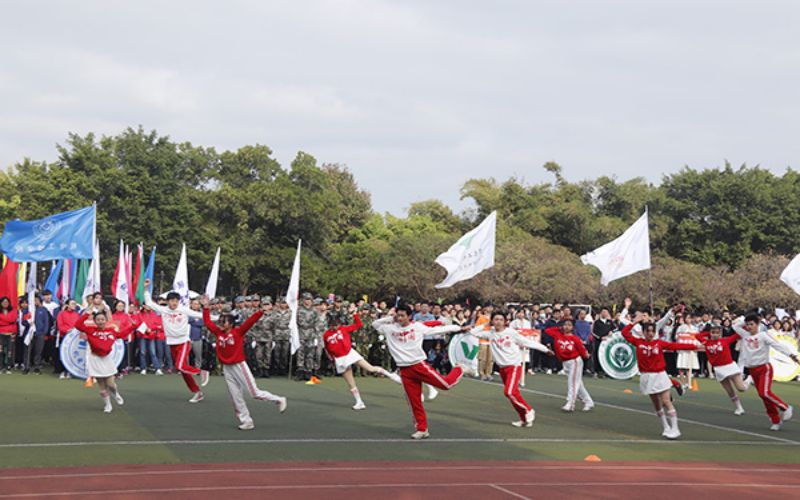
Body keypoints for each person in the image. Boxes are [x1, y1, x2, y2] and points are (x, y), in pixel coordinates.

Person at [372, 303, 473, 440]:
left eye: (402, 316)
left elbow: (437, 330)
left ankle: (460, 368)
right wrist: (390, 318)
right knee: (414, 401)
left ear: (409, 316)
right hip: (405, 370)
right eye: (398, 315)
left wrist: (459, 328)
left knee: (446, 384)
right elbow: (375, 324)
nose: (400, 318)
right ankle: (422, 429)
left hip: (419, 366)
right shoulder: (390, 328)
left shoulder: (417, 327)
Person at [200, 296, 286, 430]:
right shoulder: (218, 333)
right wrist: (206, 307)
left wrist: (261, 311)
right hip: (227, 368)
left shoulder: (238, 332)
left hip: (239, 366)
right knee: (235, 396)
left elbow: (250, 322)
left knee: (254, 393)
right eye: (220, 321)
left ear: (231, 324)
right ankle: (246, 420)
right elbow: (207, 322)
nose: (221, 324)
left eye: (224, 322)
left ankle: (278, 399)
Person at [621, 312, 698, 439]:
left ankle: (675, 428)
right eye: (648, 331)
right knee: (656, 404)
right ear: (643, 332)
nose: (650, 333)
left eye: (652, 331)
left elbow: (675, 346)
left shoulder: (659, 343)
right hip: (646, 376)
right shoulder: (638, 342)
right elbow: (624, 333)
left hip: (660, 375)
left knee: (666, 401)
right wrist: (634, 322)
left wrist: (694, 346)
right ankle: (666, 427)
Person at [468, 310, 552, 427]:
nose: (498, 322)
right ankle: (524, 419)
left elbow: (527, 342)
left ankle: (528, 410)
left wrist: (545, 349)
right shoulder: (490, 333)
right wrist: (486, 324)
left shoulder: (511, 332)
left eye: (501, 320)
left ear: (505, 322)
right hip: (502, 368)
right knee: (514, 395)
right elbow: (473, 332)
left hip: (514, 366)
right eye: (496, 319)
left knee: (509, 392)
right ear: (492, 321)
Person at [144, 280, 209, 402]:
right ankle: (197, 392)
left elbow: (201, 316)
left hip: (183, 341)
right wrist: (146, 289)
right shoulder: (164, 310)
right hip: (171, 343)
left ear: (179, 301)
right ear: (167, 301)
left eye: (176, 301)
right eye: (171, 301)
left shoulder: (184, 310)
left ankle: (201, 372)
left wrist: (219, 318)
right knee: (183, 370)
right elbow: (149, 303)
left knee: (180, 365)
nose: (174, 303)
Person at [733, 314, 799, 430]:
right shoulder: (745, 335)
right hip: (753, 370)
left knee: (765, 393)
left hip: (764, 368)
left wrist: (791, 355)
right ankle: (775, 420)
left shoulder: (763, 335)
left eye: (752, 324)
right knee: (764, 396)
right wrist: (746, 319)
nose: (749, 327)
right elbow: (735, 326)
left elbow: (778, 346)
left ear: (758, 324)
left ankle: (785, 407)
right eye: (747, 325)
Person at [324, 313, 402, 409]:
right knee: (350, 381)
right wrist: (332, 358)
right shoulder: (326, 335)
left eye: (337, 325)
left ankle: (390, 375)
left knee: (370, 368)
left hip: (350, 353)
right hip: (340, 358)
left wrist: (355, 315)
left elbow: (358, 325)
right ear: (330, 325)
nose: (335, 327)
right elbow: (327, 348)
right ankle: (359, 401)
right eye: (333, 325)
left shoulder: (343, 328)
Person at [74, 310, 131, 413]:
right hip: (95, 360)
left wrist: (133, 326)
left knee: (111, 384)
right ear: (95, 321)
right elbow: (77, 325)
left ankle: (116, 393)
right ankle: (107, 405)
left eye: (102, 319)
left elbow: (122, 334)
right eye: (98, 320)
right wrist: (87, 314)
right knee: (102, 385)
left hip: (107, 360)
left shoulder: (111, 331)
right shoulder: (90, 330)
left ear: (106, 320)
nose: (100, 321)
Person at [694, 323, 750, 415]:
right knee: (729, 391)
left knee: (741, 388)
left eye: (717, 333)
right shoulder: (706, 342)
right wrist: (708, 332)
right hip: (718, 369)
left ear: (720, 334)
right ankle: (739, 407)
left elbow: (738, 334)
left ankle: (749, 379)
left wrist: (746, 325)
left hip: (730, 366)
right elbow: (697, 336)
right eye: (713, 332)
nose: (715, 335)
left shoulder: (725, 340)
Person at [544, 318, 594, 412]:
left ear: (573, 327)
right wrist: (559, 328)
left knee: (572, 383)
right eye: (565, 325)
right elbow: (547, 331)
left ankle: (570, 403)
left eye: (569, 325)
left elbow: (582, 350)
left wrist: (586, 355)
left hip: (574, 361)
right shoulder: (558, 334)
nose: (567, 327)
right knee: (578, 384)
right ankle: (588, 401)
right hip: (565, 362)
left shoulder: (575, 338)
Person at [295, 292, 321, 381]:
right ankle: (300, 371)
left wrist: (317, 336)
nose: (308, 301)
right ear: (303, 300)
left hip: (311, 334)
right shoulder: (298, 310)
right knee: (300, 353)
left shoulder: (314, 311)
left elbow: (317, 323)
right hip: (301, 333)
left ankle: (308, 372)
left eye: (309, 299)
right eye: (306, 299)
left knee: (310, 354)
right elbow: (295, 322)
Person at [55, 298, 81, 378]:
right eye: (72, 304)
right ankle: (62, 371)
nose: (74, 305)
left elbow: (79, 325)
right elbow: (60, 326)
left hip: (74, 339)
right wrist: (68, 330)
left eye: (75, 304)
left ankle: (71, 371)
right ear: (67, 305)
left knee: (71, 355)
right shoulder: (61, 314)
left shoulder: (77, 314)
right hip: (64, 337)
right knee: (63, 355)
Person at [591, 308, 614, 377]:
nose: (604, 313)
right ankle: (597, 371)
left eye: (606, 312)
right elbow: (593, 332)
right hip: (598, 342)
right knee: (597, 355)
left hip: (607, 343)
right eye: (603, 312)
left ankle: (605, 371)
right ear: (601, 313)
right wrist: (600, 337)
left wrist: (612, 331)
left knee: (606, 356)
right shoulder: (596, 322)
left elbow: (615, 328)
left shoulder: (610, 322)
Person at [0, 297, 17, 374]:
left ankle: (8, 367)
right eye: (3, 302)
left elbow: (12, 319)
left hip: (11, 333)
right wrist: (8, 321)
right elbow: (9, 320)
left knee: (9, 351)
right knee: (1, 351)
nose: (5, 303)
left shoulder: (13, 310)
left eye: (6, 302)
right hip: (1, 333)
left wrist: (2, 319)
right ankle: (1, 367)